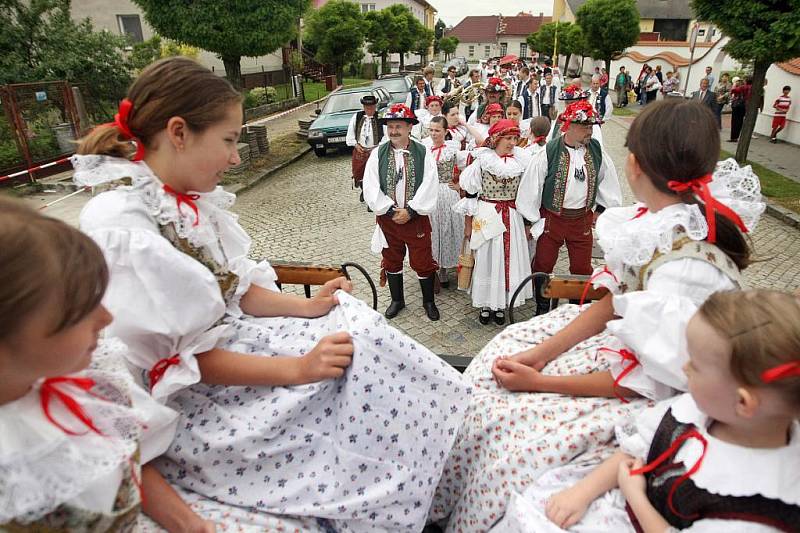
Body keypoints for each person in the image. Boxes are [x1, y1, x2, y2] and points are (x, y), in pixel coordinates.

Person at [73, 58, 466, 531]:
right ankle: (403, 491)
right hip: (199, 398)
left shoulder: (183, 201)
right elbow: (179, 363)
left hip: (225, 356)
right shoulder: (123, 223)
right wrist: (297, 369)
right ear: (179, 133)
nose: (236, 158)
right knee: (350, 374)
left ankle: (442, 457)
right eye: (229, 140)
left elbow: (236, 289)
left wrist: (308, 305)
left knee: (354, 323)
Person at [430, 100, 765, 533]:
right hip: (622, 352)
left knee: (512, 442)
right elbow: (611, 300)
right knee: (491, 369)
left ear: (635, 164)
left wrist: (540, 381)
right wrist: (540, 352)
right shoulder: (657, 226)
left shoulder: (684, 270)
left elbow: (648, 382)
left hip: (653, 397)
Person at [500, 289, 800, 532]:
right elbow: (640, 447)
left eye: (695, 365)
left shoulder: (754, 512)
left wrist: (635, 495)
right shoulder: (703, 409)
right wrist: (582, 492)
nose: (684, 368)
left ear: (744, 402)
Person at [0, 197, 212, 531]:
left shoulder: (89, 387)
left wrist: (190, 524)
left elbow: (128, 461)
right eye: (81, 308)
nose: (107, 317)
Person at [524, 98, 622, 315]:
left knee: (582, 267)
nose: (590, 131)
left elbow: (608, 181)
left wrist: (601, 210)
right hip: (553, 218)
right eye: (585, 126)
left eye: (591, 126)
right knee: (543, 263)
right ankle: (542, 309)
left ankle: (577, 311)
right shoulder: (548, 152)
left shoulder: (597, 151)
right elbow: (532, 187)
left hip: (582, 220)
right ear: (569, 126)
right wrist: (531, 219)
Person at [364, 103, 441, 321]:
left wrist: (412, 211)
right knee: (391, 258)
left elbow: (430, 183)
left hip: (415, 220)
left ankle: (428, 302)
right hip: (388, 220)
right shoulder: (378, 153)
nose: (393, 131)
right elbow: (370, 185)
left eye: (398, 126)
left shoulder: (423, 152)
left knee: (422, 261)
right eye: (390, 126)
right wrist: (389, 210)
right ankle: (397, 300)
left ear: (409, 128)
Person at [453, 119, 534, 325]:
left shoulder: (522, 161)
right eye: (508, 138)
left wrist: (526, 224)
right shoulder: (482, 161)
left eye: (515, 138)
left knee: (509, 260)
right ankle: (487, 304)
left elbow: (526, 196)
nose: (512, 142)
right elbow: (470, 194)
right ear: (497, 139)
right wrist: (468, 225)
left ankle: (502, 304)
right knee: (488, 259)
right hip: (488, 215)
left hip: (512, 218)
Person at [423, 116, 467, 289]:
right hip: (431, 194)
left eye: (437, 130)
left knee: (451, 228)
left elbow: (468, 167)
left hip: (448, 193)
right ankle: (436, 268)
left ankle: (453, 266)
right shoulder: (424, 148)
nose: (434, 134)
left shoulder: (452, 148)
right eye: (431, 130)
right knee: (434, 230)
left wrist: (459, 184)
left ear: (445, 132)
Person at [346, 94, 384, 203]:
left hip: (375, 150)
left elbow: (386, 135)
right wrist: (356, 145)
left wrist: (377, 147)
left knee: (374, 174)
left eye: (372, 107)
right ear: (363, 107)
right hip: (360, 149)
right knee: (359, 173)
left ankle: (372, 196)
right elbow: (350, 132)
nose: (370, 110)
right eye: (367, 108)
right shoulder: (357, 117)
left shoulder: (380, 117)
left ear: (375, 107)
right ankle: (364, 190)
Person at [588, 74, 614, 146]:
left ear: (600, 83)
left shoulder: (604, 94)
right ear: (591, 83)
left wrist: (603, 119)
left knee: (596, 138)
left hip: (597, 121)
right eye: (594, 83)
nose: (595, 85)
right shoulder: (586, 93)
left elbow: (609, 107)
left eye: (597, 83)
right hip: (586, 120)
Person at [728, 76, 749, 142]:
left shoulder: (742, 87)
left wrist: (734, 85)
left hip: (737, 106)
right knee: (740, 121)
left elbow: (732, 91)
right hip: (744, 106)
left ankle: (733, 137)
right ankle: (736, 137)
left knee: (735, 122)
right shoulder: (750, 87)